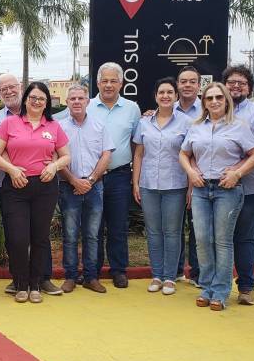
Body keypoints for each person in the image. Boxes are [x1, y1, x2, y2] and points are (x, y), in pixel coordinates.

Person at [179, 82, 254, 311]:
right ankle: (206, 287)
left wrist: (238, 173)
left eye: (219, 97)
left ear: (226, 101)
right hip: (201, 188)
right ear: (204, 103)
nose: (214, 102)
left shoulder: (239, 126)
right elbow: (184, 153)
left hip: (227, 189)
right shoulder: (196, 127)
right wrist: (191, 172)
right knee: (202, 239)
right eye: (209, 98)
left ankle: (221, 291)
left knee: (222, 240)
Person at [0, 82, 71, 303]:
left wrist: (54, 166)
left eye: (41, 99)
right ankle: (20, 283)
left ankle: (35, 284)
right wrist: (11, 169)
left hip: (45, 187)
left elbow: (66, 155)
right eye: (33, 97)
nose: (36, 101)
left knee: (40, 237)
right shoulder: (9, 123)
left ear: (47, 103)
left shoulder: (53, 126)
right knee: (17, 238)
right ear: (25, 99)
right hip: (15, 186)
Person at [132, 77, 192, 296]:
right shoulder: (144, 122)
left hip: (175, 185)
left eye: (169, 92)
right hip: (148, 184)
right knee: (153, 231)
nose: (165, 96)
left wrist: (190, 188)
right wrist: (136, 182)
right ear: (155, 96)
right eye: (161, 92)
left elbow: (191, 156)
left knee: (172, 232)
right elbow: (139, 154)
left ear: (176, 96)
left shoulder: (186, 122)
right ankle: (157, 275)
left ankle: (169, 278)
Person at [57, 84, 112, 294]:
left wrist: (90, 180)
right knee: (70, 235)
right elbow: (56, 157)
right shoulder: (59, 127)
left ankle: (91, 277)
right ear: (67, 102)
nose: (77, 102)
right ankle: (70, 276)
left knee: (92, 235)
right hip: (68, 187)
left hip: (94, 187)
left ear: (88, 101)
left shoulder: (100, 125)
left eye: (81, 98)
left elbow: (106, 155)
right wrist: (73, 181)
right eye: (73, 99)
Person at [91, 62, 141, 289]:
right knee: (93, 226)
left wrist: (134, 177)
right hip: (92, 177)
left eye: (113, 81)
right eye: (105, 81)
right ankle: (92, 270)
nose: (109, 85)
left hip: (120, 175)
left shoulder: (132, 109)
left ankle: (118, 270)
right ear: (98, 83)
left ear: (121, 83)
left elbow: (136, 144)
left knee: (118, 225)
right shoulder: (87, 106)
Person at [223, 65, 254, 305]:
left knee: (245, 236)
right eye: (231, 82)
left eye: (242, 83)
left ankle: (246, 286)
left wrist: (236, 171)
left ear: (249, 88)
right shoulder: (214, 107)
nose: (236, 86)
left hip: (249, 186)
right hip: (218, 187)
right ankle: (218, 286)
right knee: (220, 237)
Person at [0, 73, 25, 295]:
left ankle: (42, 277)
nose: (9, 91)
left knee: (39, 234)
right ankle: (18, 278)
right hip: (8, 181)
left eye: (12, 87)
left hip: (39, 181)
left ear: (21, 86)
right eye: (4, 89)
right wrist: (15, 170)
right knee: (14, 234)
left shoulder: (36, 111)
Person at [174, 67, 203, 286]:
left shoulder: (208, 109)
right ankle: (174, 270)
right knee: (174, 226)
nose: (187, 85)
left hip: (200, 177)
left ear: (199, 86)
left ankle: (197, 272)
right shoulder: (167, 109)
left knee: (198, 227)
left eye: (192, 81)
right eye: (183, 81)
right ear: (178, 85)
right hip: (174, 177)